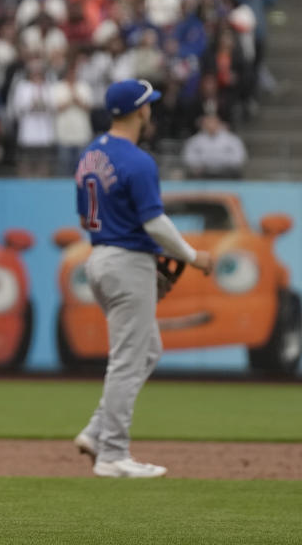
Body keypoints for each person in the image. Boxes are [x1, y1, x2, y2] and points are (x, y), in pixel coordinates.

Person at [72, 79, 214, 478]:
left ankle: (97, 432)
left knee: (147, 350)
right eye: (148, 104)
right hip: (126, 261)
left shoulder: (89, 155)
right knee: (127, 358)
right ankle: (113, 455)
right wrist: (191, 256)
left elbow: (86, 216)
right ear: (140, 111)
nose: (150, 110)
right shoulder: (137, 160)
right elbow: (154, 222)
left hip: (99, 256)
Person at [182, 114, 247, 178]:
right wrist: (203, 163)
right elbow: (188, 157)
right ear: (203, 125)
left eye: (213, 122)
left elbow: (239, 158)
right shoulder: (194, 140)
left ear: (219, 123)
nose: (211, 125)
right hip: (202, 173)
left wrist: (221, 162)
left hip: (227, 172)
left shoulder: (232, 139)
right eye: (208, 123)